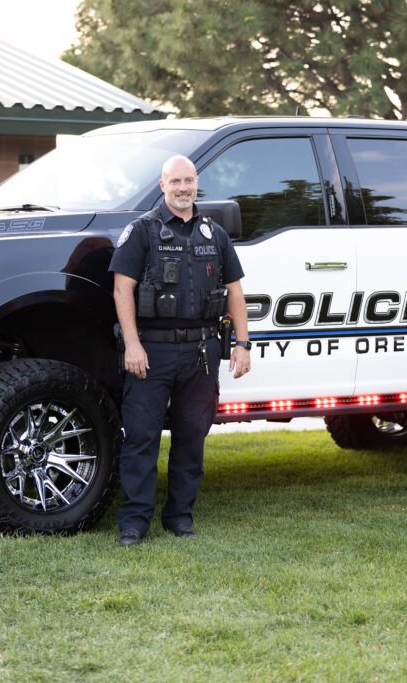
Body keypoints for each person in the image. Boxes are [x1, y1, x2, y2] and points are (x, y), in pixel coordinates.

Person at [108, 155, 252, 546]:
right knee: (141, 439)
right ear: (163, 185)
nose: (183, 188)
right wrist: (132, 344)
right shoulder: (141, 231)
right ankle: (134, 524)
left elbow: (235, 291)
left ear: (196, 183)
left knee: (192, 436)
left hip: (202, 353)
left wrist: (242, 344)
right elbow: (123, 289)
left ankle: (180, 519)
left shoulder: (214, 234)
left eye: (189, 181)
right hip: (151, 352)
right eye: (176, 182)